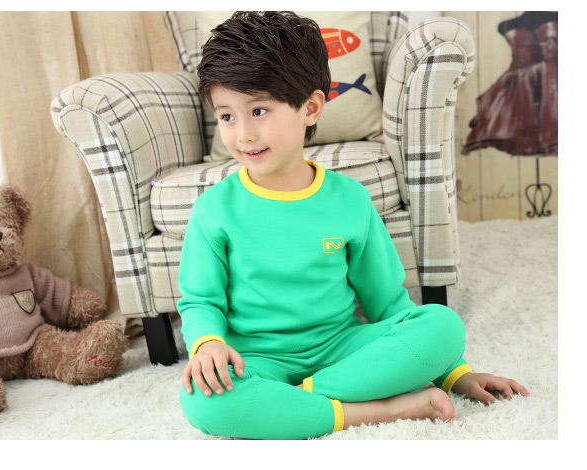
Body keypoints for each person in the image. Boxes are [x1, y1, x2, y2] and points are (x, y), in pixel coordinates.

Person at [176, 11, 528, 440]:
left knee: (443, 326)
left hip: (343, 348)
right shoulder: (213, 209)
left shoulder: (349, 199)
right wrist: (208, 344)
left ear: (310, 108)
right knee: (201, 401)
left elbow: (387, 303)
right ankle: (378, 410)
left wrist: (454, 374)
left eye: (259, 110)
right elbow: (200, 301)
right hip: (257, 359)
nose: (243, 134)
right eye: (227, 116)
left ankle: (293, 405)